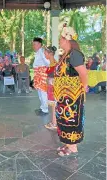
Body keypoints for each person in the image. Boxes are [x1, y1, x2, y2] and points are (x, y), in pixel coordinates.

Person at [55, 26, 87, 157]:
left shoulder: (74, 54)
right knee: (63, 119)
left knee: (71, 119)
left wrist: (82, 89)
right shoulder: (66, 55)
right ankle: (68, 143)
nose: (59, 41)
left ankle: (73, 147)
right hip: (64, 95)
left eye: (60, 39)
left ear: (67, 40)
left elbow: (83, 74)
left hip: (73, 96)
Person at [32, 37, 50, 116]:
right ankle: (42, 107)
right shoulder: (38, 52)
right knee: (40, 92)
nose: (33, 46)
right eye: (33, 44)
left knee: (43, 92)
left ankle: (45, 109)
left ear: (39, 44)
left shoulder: (42, 52)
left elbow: (48, 63)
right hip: (38, 74)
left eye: (35, 44)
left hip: (42, 74)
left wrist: (43, 70)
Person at [44, 46, 58, 130]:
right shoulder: (52, 63)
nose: (44, 54)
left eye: (45, 53)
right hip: (51, 87)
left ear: (50, 54)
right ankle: (54, 122)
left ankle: (54, 123)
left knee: (54, 105)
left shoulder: (54, 64)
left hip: (53, 87)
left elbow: (55, 77)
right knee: (53, 105)